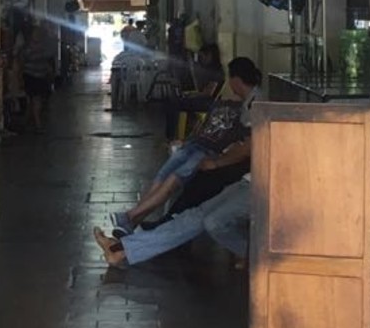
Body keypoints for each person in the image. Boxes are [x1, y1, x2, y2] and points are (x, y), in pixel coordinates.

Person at [110, 57, 263, 234]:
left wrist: (218, 161)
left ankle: (131, 217)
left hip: (213, 152)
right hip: (198, 145)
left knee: (175, 179)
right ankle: (132, 220)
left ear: (236, 79)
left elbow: (247, 144)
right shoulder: (241, 101)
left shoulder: (256, 104)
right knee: (164, 175)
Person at [94, 177, 251, 269]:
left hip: (267, 186)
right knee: (194, 217)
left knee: (214, 222)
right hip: (249, 180)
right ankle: (120, 250)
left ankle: (252, 254)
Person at [163, 43, 223, 139]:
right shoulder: (209, 69)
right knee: (173, 102)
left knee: (174, 104)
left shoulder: (217, 72)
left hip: (209, 102)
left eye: (203, 56)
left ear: (210, 55)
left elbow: (208, 93)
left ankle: (170, 136)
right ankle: (172, 135)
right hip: (205, 100)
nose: (202, 59)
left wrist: (193, 95)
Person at [21, 23, 56, 133]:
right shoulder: (28, 47)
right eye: (35, 34)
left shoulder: (41, 46)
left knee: (33, 101)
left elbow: (49, 55)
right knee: (35, 100)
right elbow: (24, 59)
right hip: (31, 76)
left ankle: (27, 123)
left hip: (40, 76)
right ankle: (37, 124)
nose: (37, 35)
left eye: (39, 34)